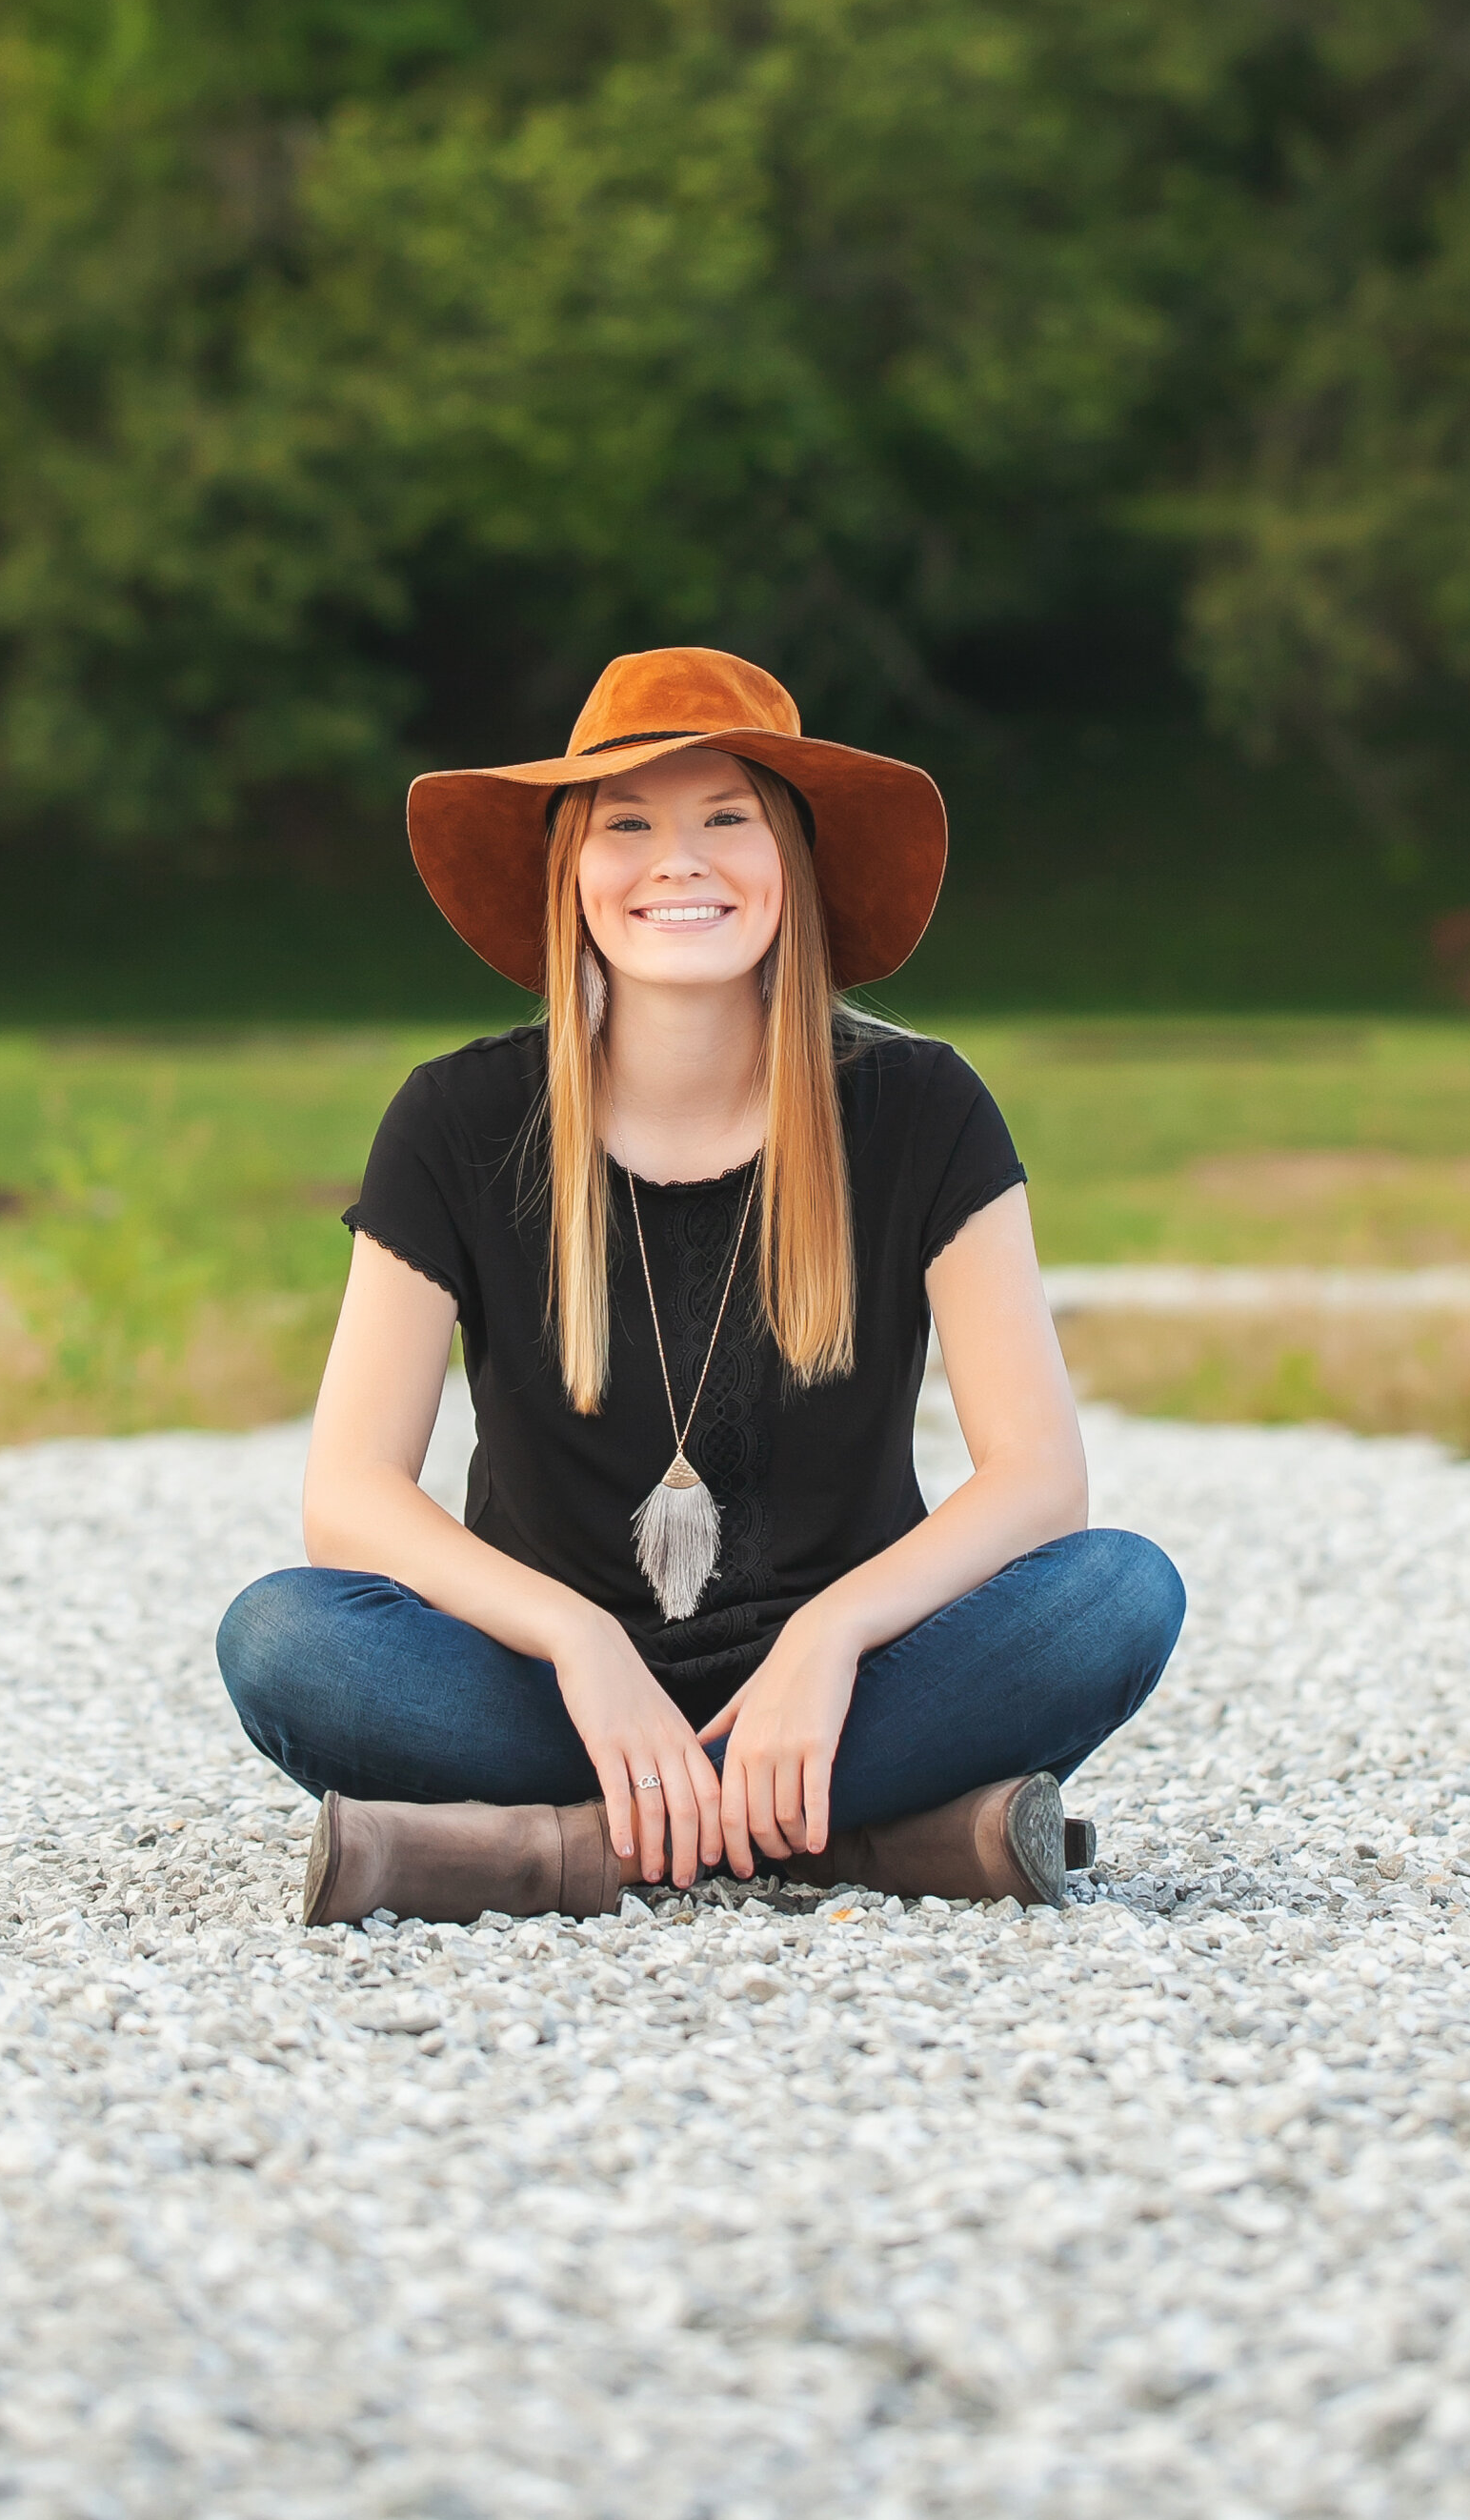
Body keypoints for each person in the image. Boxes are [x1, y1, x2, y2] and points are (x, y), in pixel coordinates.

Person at [217, 646, 1184, 1924]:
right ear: (570, 869)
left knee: (1115, 1594)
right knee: (283, 1640)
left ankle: (564, 1853)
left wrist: (828, 1639)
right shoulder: (456, 1118)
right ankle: (863, 1839)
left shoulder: (920, 1107)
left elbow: (1039, 1477)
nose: (679, 861)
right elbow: (347, 1496)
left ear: (792, 862)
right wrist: (581, 1642)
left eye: (727, 817)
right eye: (628, 824)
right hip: (548, 1694)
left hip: (849, 1690)